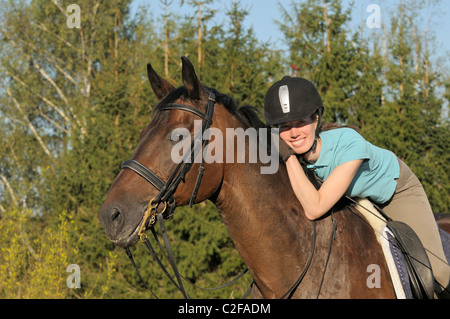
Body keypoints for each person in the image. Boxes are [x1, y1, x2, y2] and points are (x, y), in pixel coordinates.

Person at [264, 76, 449, 298]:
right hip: (351, 197)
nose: (293, 134)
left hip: (395, 191)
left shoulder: (350, 143)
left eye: (300, 122)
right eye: (285, 127)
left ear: (315, 119)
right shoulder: (284, 151)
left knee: (438, 272)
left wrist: (289, 157)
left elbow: (314, 208)